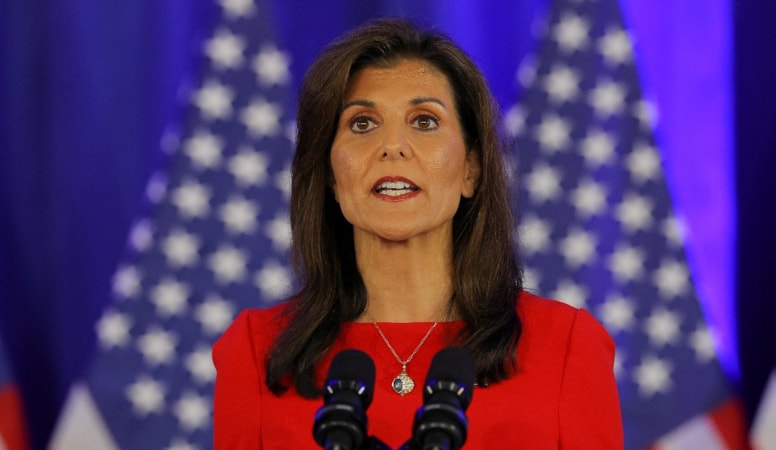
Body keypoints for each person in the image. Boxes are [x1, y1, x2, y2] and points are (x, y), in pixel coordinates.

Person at [213, 18, 623, 449]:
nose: (393, 146)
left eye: (424, 121)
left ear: (471, 169)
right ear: (331, 175)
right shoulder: (257, 351)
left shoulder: (565, 347)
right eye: (362, 124)